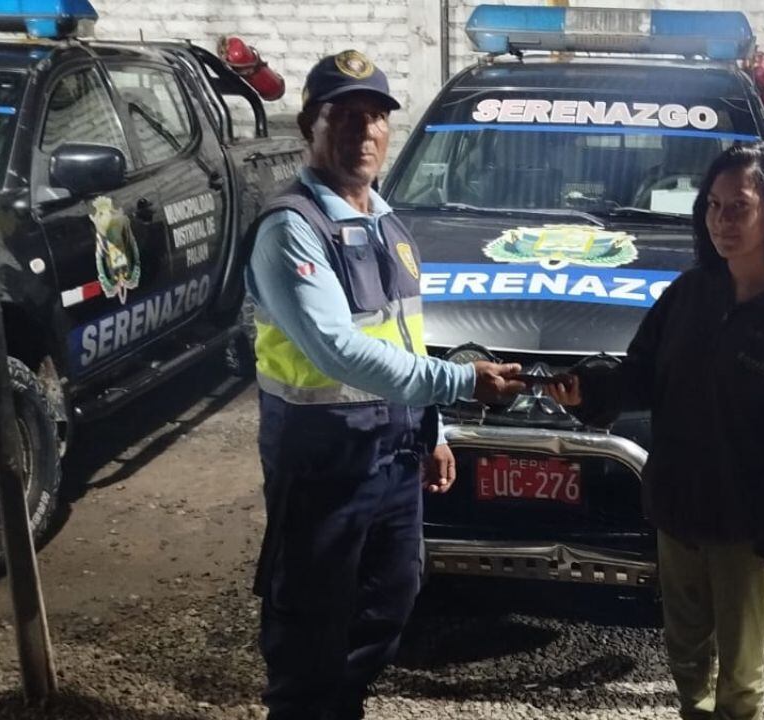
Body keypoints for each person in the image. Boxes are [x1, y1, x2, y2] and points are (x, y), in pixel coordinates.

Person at [245, 49, 524, 720]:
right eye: (344, 116)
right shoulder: (291, 229)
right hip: (324, 464)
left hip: (394, 459)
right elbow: (336, 349)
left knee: (389, 602)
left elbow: (405, 335)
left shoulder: (386, 221)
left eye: (375, 117)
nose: (364, 131)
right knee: (311, 627)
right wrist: (458, 382)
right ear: (310, 125)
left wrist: (434, 429)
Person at [549, 142, 764, 720]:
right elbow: (642, 375)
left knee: (741, 679)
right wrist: (591, 391)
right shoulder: (690, 294)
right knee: (686, 658)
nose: (722, 221)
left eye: (740, 207)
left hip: (747, 531)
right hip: (679, 511)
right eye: (713, 205)